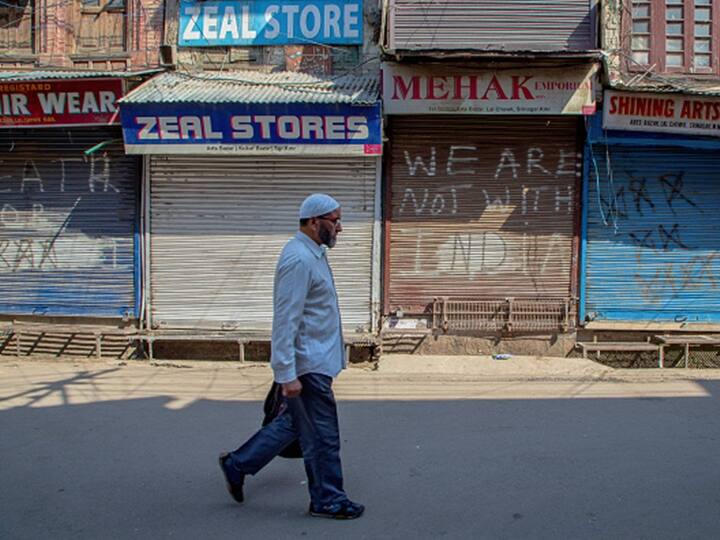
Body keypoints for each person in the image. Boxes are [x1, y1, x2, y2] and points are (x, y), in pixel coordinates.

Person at [218, 193, 364, 520]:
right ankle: (328, 499)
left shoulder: (313, 254)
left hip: (316, 362)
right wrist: (286, 373)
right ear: (315, 222)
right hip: (308, 365)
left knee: (297, 425)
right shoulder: (299, 259)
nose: (340, 228)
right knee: (323, 437)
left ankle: (237, 464)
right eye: (335, 220)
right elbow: (286, 319)